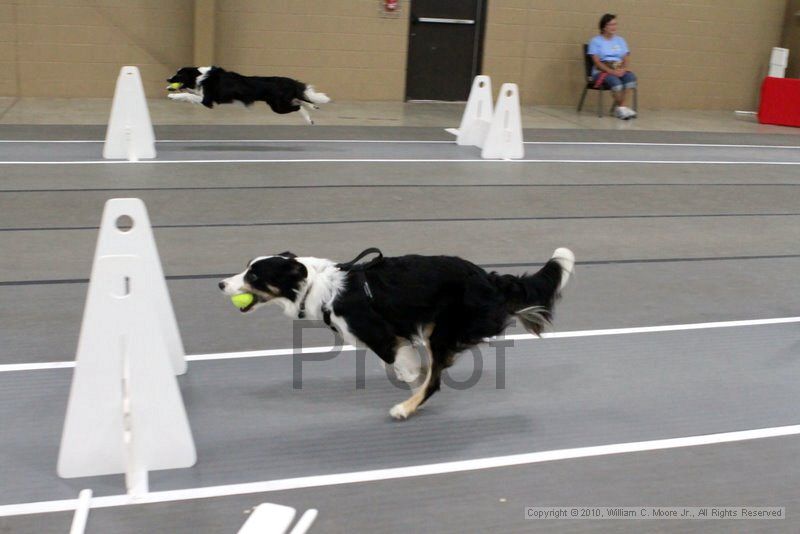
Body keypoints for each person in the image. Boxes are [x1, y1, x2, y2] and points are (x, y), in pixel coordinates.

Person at [589, 13, 637, 119]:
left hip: (618, 68)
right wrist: (612, 72)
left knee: (630, 79)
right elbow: (597, 62)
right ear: (604, 27)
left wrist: (623, 69)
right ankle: (623, 108)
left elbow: (625, 57)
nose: (613, 27)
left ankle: (620, 109)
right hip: (602, 71)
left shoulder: (620, 40)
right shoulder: (595, 41)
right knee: (616, 83)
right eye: (610, 25)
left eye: (615, 24)